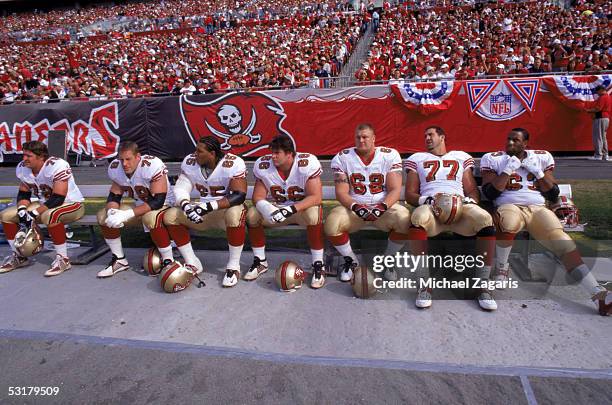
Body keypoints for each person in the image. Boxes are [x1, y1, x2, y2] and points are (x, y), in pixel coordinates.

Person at [481, 128, 611, 316]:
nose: (510, 143)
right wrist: (508, 169)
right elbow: (490, 193)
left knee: (563, 240)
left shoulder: (540, 158)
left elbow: (552, 193)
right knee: (507, 222)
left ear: (526, 143)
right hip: (509, 205)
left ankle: (597, 293)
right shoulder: (493, 158)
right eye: (508, 139)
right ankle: (502, 269)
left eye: (515, 140)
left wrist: (538, 173)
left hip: (538, 208)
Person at [404, 126, 497, 311]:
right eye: (425, 136)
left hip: (460, 206)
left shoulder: (460, 157)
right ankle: (424, 284)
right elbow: (410, 194)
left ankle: (483, 285)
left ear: (442, 137)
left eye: (431, 135)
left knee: (485, 220)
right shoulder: (417, 159)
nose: (427, 138)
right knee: (417, 218)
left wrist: (471, 200)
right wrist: (426, 199)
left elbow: (471, 190)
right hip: (432, 207)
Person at [326, 123, 411, 282]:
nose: (361, 140)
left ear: (374, 139)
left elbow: (394, 189)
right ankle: (351, 261)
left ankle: (388, 260)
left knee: (404, 218)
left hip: (382, 208)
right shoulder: (343, 158)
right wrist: (356, 207)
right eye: (358, 137)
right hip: (355, 209)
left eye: (365, 137)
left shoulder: (389, 155)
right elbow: (341, 192)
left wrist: (381, 207)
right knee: (332, 222)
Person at [163, 136, 247, 288]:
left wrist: (209, 207)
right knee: (171, 216)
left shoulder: (232, 163)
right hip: (200, 211)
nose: (195, 154)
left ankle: (234, 266)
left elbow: (239, 195)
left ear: (212, 154)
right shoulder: (191, 163)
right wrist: (186, 205)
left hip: (222, 212)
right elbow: (182, 186)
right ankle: (192, 262)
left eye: (199, 151)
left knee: (236, 213)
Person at [246, 135, 326, 288]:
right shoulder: (264, 166)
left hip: (300, 210)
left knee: (314, 214)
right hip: (277, 210)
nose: (273, 156)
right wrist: (268, 209)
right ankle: (260, 261)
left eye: (277, 153)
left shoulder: (305, 164)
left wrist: (291, 209)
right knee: (252, 215)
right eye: (272, 152)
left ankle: (318, 264)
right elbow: (257, 197)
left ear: (289, 154)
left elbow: (316, 197)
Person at [0, 141, 85, 276]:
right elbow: (24, 192)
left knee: (49, 215)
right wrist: (22, 209)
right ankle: (19, 256)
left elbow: (58, 198)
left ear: (41, 157)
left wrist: (34, 213)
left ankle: (63, 259)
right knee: (6, 215)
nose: (24, 159)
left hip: (71, 204)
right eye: (24, 155)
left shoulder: (57, 165)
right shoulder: (23, 168)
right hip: (45, 203)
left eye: (29, 156)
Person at [96, 142, 175, 278]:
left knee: (151, 217)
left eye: (128, 159)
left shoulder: (151, 165)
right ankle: (119, 259)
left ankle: (169, 261)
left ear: (138, 156)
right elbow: (114, 196)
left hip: (166, 205)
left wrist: (126, 214)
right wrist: (112, 212)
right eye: (121, 160)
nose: (124, 164)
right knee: (103, 216)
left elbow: (157, 201)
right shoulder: (116, 168)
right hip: (141, 205)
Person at [586, 85, 610, 160]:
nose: (597, 93)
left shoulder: (602, 97)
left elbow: (598, 108)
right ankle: (605, 155)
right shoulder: (608, 97)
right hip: (606, 118)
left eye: (597, 92)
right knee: (603, 137)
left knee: (598, 137)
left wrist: (588, 110)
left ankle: (598, 155)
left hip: (600, 118)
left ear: (601, 90)